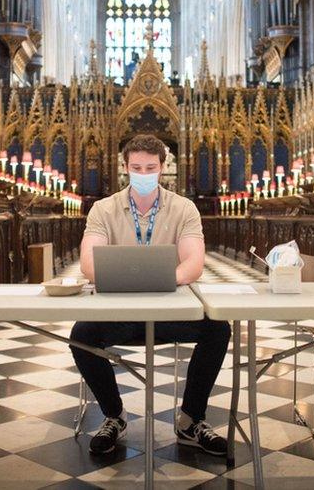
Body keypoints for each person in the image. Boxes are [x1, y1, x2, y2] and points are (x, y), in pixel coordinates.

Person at [71, 134, 230, 456]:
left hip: (168, 310)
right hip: (119, 312)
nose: (143, 174)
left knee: (218, 328)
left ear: (162, 167)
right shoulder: (104, 209)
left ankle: (191, 419)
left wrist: (158, 280)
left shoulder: (183, 209)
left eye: (150, 168)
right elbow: (89, 264)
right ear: (125, 167)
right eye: (136, 167)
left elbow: (194, 263)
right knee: (82, 334)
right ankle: (114, 416)